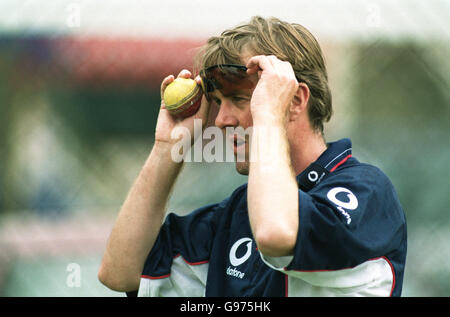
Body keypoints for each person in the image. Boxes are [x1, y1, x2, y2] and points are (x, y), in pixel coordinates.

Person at [98, 16, 407, 297]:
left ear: (296, 101)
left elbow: (276, 235)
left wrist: (269, 117)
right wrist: (167, 146)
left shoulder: (366, 191)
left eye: (239, 99)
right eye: (218, 101)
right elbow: (121, 273)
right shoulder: (236, 213)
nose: (221, 119)